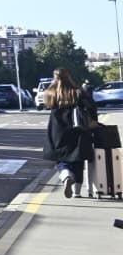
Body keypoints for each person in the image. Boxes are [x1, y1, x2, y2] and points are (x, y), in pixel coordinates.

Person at [42, 68, 97, 198]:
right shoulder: (78, 92)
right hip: (78, 129)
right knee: (78, 158)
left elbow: (48, 106)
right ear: (69, 77)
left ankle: (66, 175)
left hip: (58, 129)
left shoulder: (50, 93)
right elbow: (92, 108)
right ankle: (77, 192)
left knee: (61, 158)